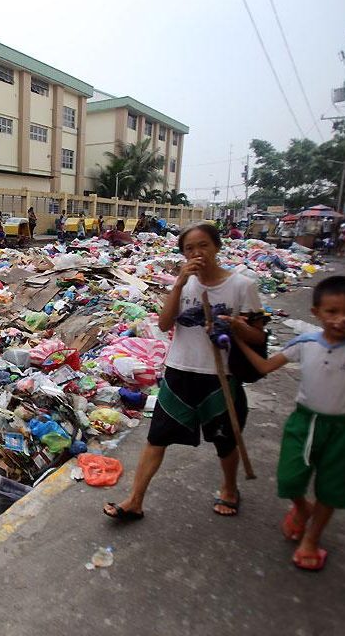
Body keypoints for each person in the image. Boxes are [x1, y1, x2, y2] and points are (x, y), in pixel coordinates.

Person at [103, 223, 266, 521]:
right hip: (179, 372)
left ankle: (230, 489)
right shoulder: (185, 285)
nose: (197, 253)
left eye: (203, 245)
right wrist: (178, 284)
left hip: (221, 376)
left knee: (225, 440)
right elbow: (164, 325)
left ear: (217, 247)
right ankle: (135, 500)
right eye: (189, 248)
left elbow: (259, 336)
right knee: (157, 438)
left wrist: (234, 325)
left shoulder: (242, 286)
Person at [234, 276, 345, 570]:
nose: (341, 320)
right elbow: (264, 367)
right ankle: (302, 508)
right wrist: (238, 339)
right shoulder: (306, 342)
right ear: (316, 313)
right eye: (332, 312)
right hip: (305, 422)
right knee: (289, 480)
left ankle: (311, 539)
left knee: (332, 488)